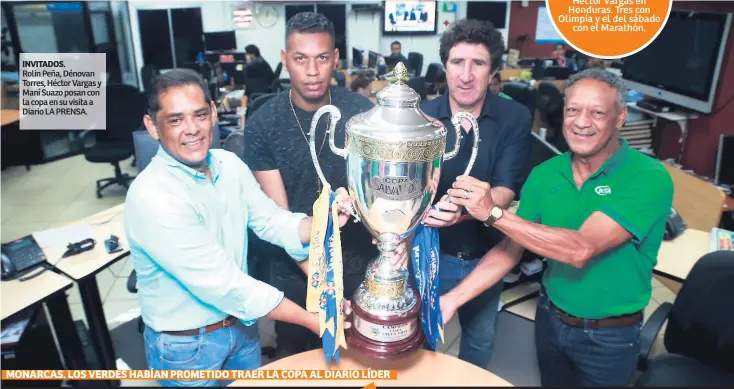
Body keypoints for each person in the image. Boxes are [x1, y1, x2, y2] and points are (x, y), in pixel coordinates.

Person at [440, 68, 674, 386]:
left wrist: (493, 213)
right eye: (573, 110)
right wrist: (451, 300)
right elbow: (510, 248)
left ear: (620, 118)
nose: (581, 122)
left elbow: (580, 249)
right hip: (549, 320)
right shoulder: (545, 174)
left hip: (609, 336)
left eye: (597, 113)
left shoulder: (648, 177)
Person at [124, 68, 355, 386]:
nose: (192, 129)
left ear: (214, 113)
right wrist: (315, 320)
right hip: (187, 348)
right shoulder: (152, 196)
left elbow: (271, 221)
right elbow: (226, 285)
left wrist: (322, 222)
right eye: (175, 120)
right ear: (152, 126)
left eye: (200, 114)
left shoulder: (227, 164)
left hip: (241, 330)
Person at [243, 12, 406, 360]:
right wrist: (322, 286)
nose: (312, 70)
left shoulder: (364, 114)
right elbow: (279, 218)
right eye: (301, 59)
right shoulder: (263, 124)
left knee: (357, 367)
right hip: (296, 274)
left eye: (321, 58)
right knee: (299, 367)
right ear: (285, 60)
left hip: (359, 267)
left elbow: (379, 192)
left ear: (335, 58)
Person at [418, 19, 533, 369]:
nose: (466, 75)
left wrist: (467, 210)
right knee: (420, 344)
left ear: (493, 71)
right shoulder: (421, 116)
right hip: (428, 252)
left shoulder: (515, 116)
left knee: (479, 342)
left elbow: (505, 187)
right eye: (457, 62)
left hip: (486, 256)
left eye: (478, 64)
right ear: (445, 67)